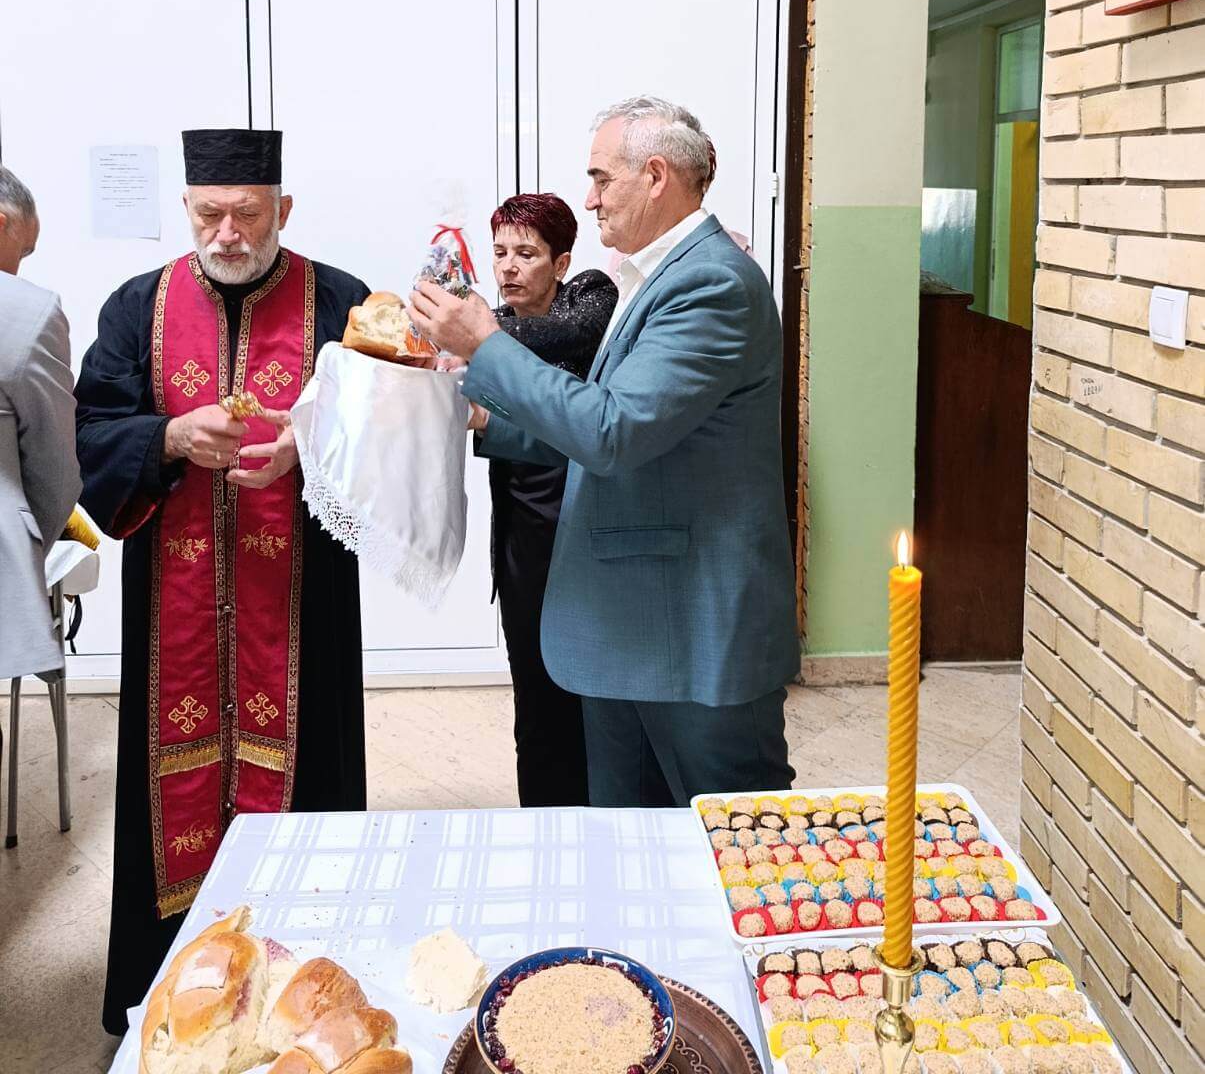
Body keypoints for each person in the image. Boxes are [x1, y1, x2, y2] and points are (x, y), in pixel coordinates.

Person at [410, 97, 799, 808]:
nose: (588, 199)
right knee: (627, 838)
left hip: (691, 631)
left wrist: (486, 344)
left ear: (655, 176)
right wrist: (481, 418)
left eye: (600, 178)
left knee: (722, 839)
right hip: (634, 626)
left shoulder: (710, 283)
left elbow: (613, 432)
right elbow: (609, 416)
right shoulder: (654, 275)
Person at [76, 130, 370, 1034]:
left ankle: (312, 991)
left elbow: (386, 432)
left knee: (310, 775)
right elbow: (93, 429)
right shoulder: (138, 307)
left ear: (283, 210)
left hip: (302, 606)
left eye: (248, 213)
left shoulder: (342, 303)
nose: (228, 232)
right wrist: (167, 437)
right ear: (187, 209)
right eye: (210, 214)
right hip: (178, 607)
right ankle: (172, 991)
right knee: (172, 786)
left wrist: (304, 449)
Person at [486, 193, 617, 807]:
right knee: (534, 699)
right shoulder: (492, 324)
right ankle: (540, 819)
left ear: (561, 262)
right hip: (522, 536)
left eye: (526, 254)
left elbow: (569, 335)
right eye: (500, 253)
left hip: (585, 527)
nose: (509, 267)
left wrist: (479, 337)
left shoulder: (589, 295)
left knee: (589, 695)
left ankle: (600, 814)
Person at [0, 166, 81, 684]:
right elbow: (56, 470)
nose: (19, 268)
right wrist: (29, 553)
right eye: (23, 251)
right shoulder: (23, 311)